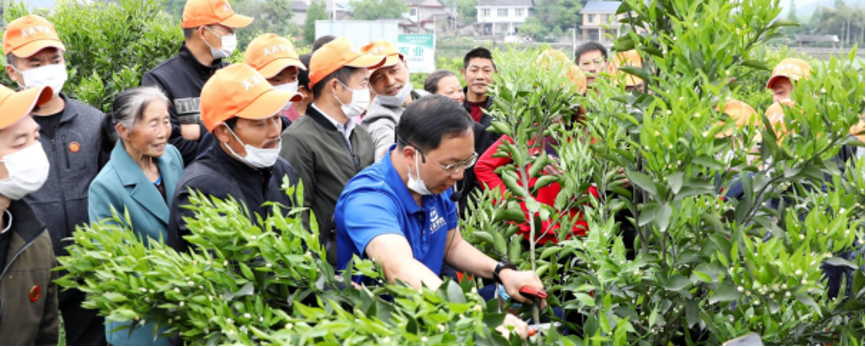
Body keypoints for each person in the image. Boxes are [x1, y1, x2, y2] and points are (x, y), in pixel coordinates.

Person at [335, 95, 544, 340]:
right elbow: (398, 267)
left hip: (434, 315)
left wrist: (502, 272)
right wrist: (474, 314)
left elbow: (452, 245)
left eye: (466, 162)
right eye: (451, 164)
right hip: (387, 329)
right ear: (411, 155)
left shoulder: (432, 184)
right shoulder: (369, 198)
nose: (459, 175)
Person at [3, 14, 108, 346]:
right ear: (13, 71)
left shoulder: (93, 121)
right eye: (35, 63)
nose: (47, 69)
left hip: (89, 265)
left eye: (54, 59)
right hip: (27, 265)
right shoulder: (8, 129)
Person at [167, 64, 300, 252]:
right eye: (260, 124)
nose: (275, 132)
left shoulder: (281, 170)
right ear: (223, 132)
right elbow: (237, 264)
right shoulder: (201, 188)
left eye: (277, 118)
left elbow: (300, 242)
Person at [87, 87, 183, 346]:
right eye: (153, 124)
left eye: (166, 121)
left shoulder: (171, 157)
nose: (163, 132)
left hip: (181, 309)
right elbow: (117, 264)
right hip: (142, 318)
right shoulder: (106, 187)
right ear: (124, 131)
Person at [280, 38, 384, 266]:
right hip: (328, 267)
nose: (368, 91)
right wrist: (317, 271)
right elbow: (296, 214)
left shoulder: (361, 135)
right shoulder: (298, 140)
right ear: (335, 87)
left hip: (366, 260)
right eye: (363, 83)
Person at [142, 0, 254, 165]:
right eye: (227, 29)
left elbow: (253, 129)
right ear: (203, 33)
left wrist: (197, 131)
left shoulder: (233, 75)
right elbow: (167, 144)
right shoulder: (160, 80)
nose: (233, 35)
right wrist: (227, 146)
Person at [0, 85, 59, 347]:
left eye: (35, 138)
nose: (35, 152)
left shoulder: (36, 241)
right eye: (20, 143)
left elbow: (45, 333)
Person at [361, 40, 430, 161]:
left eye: (394, 71)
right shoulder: (380, 120)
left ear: (406, 65)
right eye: (378, 78)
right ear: (368, 85)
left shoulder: (425, 96)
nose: (390, 82)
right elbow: (384, 148)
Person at [243, 33, 306, 127]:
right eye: (277, 80)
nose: (288, 87)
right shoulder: (235, 125)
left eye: (293, 78)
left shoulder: (286, 124)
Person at [462, 47, 497, 127]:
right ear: (464, 73)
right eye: (474, 70)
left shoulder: (505, 110)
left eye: (487, 71)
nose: (480, 77)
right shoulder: (452, 106)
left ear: (496, 75)